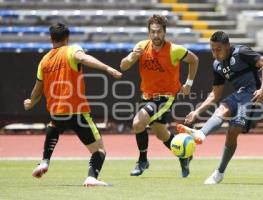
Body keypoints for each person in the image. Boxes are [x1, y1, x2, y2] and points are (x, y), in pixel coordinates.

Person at [23, 22, 122, 187]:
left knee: (53, 126)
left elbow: (37, 90)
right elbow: (83, 58)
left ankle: (45, 161)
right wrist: (107, 68)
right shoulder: (71, 50)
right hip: (77, 111)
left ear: (50, 38)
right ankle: (91, 177)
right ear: (67, 38)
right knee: (100, 151)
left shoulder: (44, 61)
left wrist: (31, 102)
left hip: (57, 111)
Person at [177, 31, 263, 184]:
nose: (215, 53)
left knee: (233, 130)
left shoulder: (241, 52)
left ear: (227, 46)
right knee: (222, 109)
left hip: (257, 97)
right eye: (212, 49)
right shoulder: (217, 65)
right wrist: (197, 111)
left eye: (218, 49)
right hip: (241, 95)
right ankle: (201, 134)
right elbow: (215, 94)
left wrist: (262, 89)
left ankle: (219, 172)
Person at [120, 15, 199, 177]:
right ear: (149, 32)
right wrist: (132, 57)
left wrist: (188, 84)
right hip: (147, 95)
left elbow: (194, 60)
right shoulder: (142, 46)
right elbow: (123, 66)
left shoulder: (174, 49)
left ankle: (142, 161)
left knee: (137, 123)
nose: (156, 36)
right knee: (160, 132)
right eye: (153, 32)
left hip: (165, 96)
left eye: (159, 32)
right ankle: (185, 156)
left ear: (165, 32)